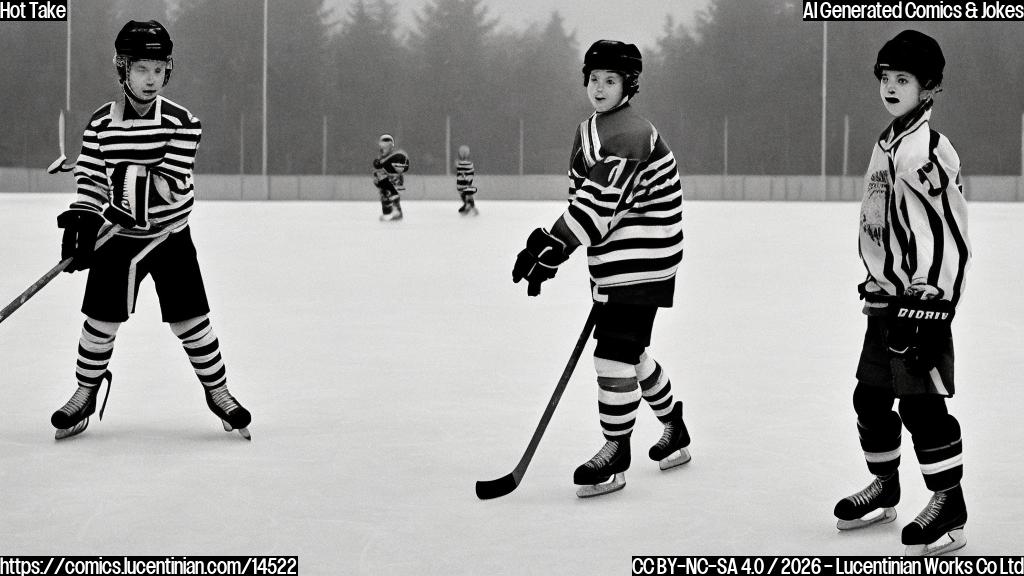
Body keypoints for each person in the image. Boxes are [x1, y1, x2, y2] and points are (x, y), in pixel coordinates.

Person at [52, 20, 251, 440]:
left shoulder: (182, 122)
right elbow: (89, 176)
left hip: (169, 237)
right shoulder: (102, 123)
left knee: (192, 322)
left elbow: (171, 182)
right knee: (99, 323)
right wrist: (84, 218)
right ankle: (84, 394)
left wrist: (124, 191)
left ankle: (219, 392)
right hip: (119, 240)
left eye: (159, 70)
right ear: (122, 68)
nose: (151, 79)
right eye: (141, 69)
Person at [512, 40, 689, 498]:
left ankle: (616, 451)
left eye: (610, 80)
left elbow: (597, 208)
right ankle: (675, 427)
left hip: (643, 264)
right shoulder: (594, 128)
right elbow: (585, 201)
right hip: (615, 265)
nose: (599, 87)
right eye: (593, 79)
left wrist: (554, 245)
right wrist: (554, 242)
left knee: (612, 354)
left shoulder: (629, 132)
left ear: (628, 86)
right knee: (631, 353)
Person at [833, 30, 971, 556]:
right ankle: (886, 486)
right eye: (885, 78)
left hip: (920, 307)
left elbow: (944, 234)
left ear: (928, 87)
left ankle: (948, 502)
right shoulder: (890, 140)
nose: (890, 87)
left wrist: (929, 302)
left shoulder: (925, 151)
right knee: (869, 397)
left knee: (921, 407)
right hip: (885, 302)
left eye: (903, 79)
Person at [373, 134, 409, 221]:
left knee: (393, 195)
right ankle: (387, 211)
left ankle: (397, 211)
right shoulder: (380, 158)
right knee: (385, 197)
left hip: (394, 180)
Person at [455, 144, 478, 215]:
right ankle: (470, 206)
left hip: (462, 184)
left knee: (464, 194)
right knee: (467, 194)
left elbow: (460, 171)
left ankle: (469, 206)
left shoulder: (459, 163)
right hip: (466, 183)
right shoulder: (470, 164)